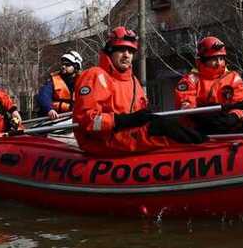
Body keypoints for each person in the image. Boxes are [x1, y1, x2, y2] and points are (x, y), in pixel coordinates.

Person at [73, 26, 204, 156]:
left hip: (126, 135)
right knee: (163, 129)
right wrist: (122, 120)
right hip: (101, 140)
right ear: (110, 51)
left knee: (171, 126)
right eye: (121, 50)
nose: (126, 55)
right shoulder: (95, 75)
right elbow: (86, 121)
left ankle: (206, 145)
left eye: (130, 51)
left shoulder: (133, 81)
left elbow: (140, 116)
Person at [174, 36, 243, 134]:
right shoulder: (190, 80)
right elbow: (186, 106)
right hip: (199, 128)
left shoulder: (233, 78)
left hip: (227, 125)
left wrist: (233, 117)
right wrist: (205, 117)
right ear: (203, 60)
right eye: (214, 59)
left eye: (221, 58)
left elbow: (241, 105)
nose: (219, 63)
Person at [35, 50, 83, 120]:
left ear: (76, 67)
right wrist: (49, 109)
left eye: (67, 65)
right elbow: (43, 96)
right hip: (55, 118)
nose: (63, 67)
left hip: (74, 117)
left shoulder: (83, 80)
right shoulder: (53, 80)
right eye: (62, 64)